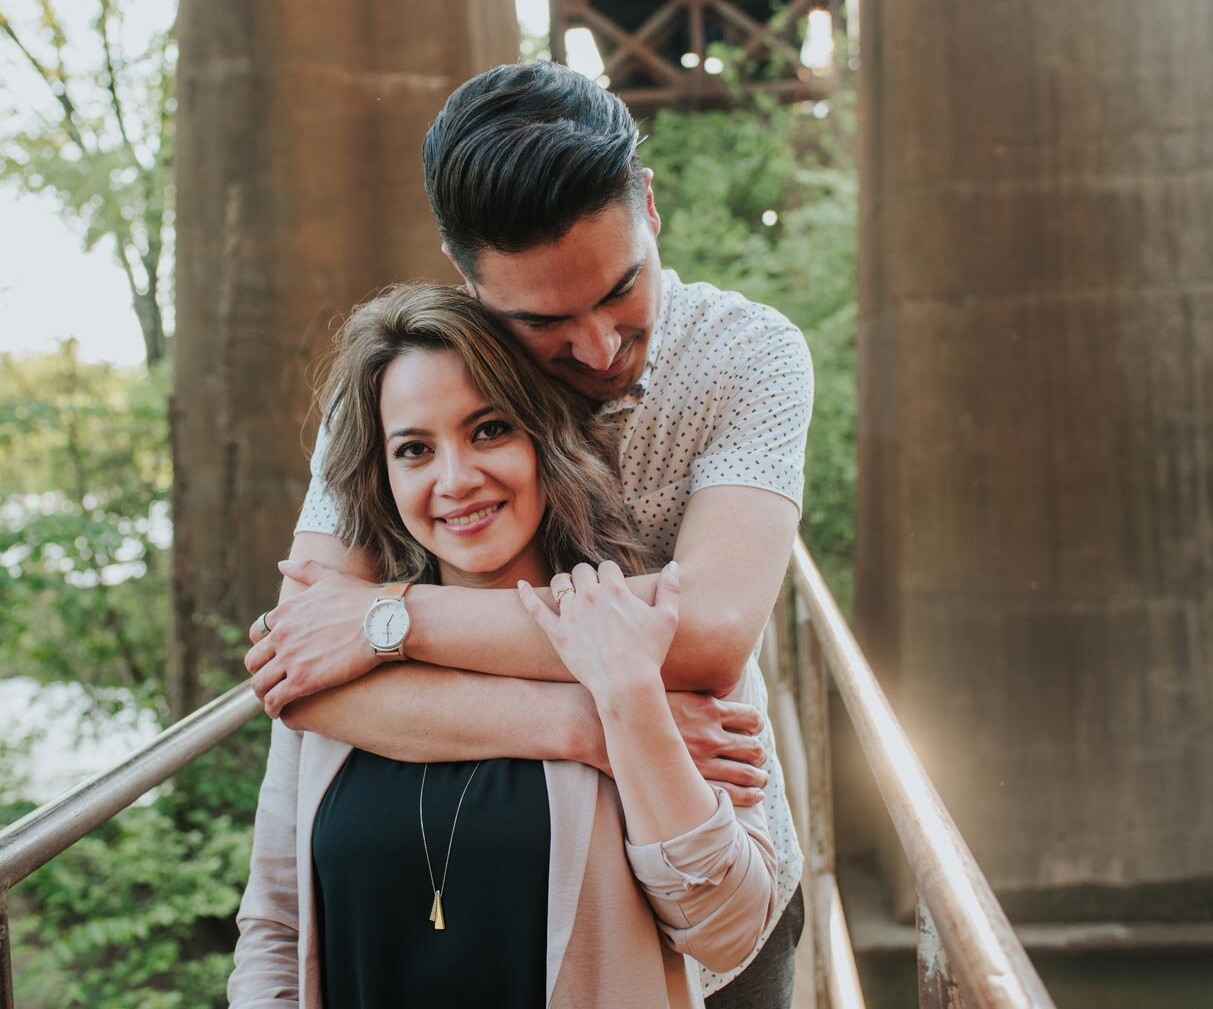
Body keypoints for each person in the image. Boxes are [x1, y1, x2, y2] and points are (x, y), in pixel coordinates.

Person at [245, 60, 811, 1007]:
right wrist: (595, 722)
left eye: (621, 290)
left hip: (710, 869)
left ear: (650, 209)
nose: (594, 348)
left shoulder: (748, 356)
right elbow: (298, 666)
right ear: (473, 291)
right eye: (544, 322)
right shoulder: (427, 380)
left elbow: (710, 634)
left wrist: (388, 621)